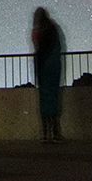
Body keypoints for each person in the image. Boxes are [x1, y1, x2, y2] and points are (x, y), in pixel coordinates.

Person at [31, 8, 65, 143]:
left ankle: (46, 133)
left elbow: (38, 48)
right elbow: (59, 46)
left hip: (43, 67)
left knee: (44, 99)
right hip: (54, 67)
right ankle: (56, 132)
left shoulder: (38, 30)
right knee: (54, 98)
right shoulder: (52, 28)